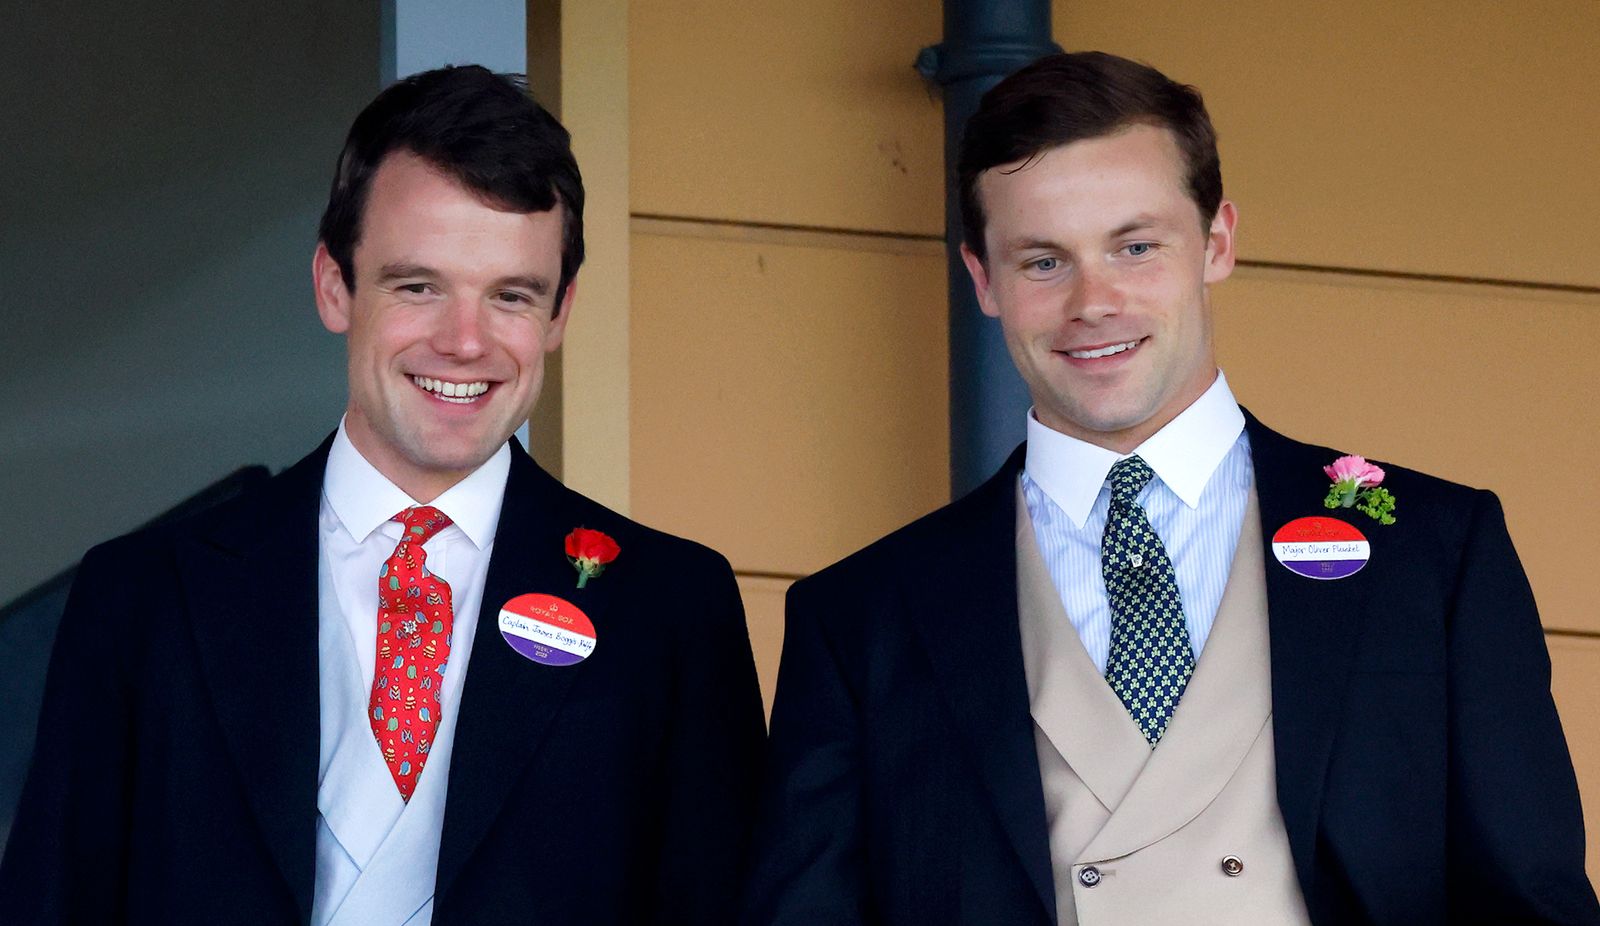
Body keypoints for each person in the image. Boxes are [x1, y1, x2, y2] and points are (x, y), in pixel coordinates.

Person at [743, 51, 1599, 925]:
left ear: (1217, 242)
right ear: (983, 280)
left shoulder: (1435, 551)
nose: (1094, 301)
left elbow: (1531, 909)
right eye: (1043, 262)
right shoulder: (860, 615)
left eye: (1136, 247)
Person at [0, 65, 765, 925]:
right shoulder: (143, 597)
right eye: (418, 286)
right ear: (335, 286)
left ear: (559, 314)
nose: (465, 342)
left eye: (511, 296)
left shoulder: (669, 610)